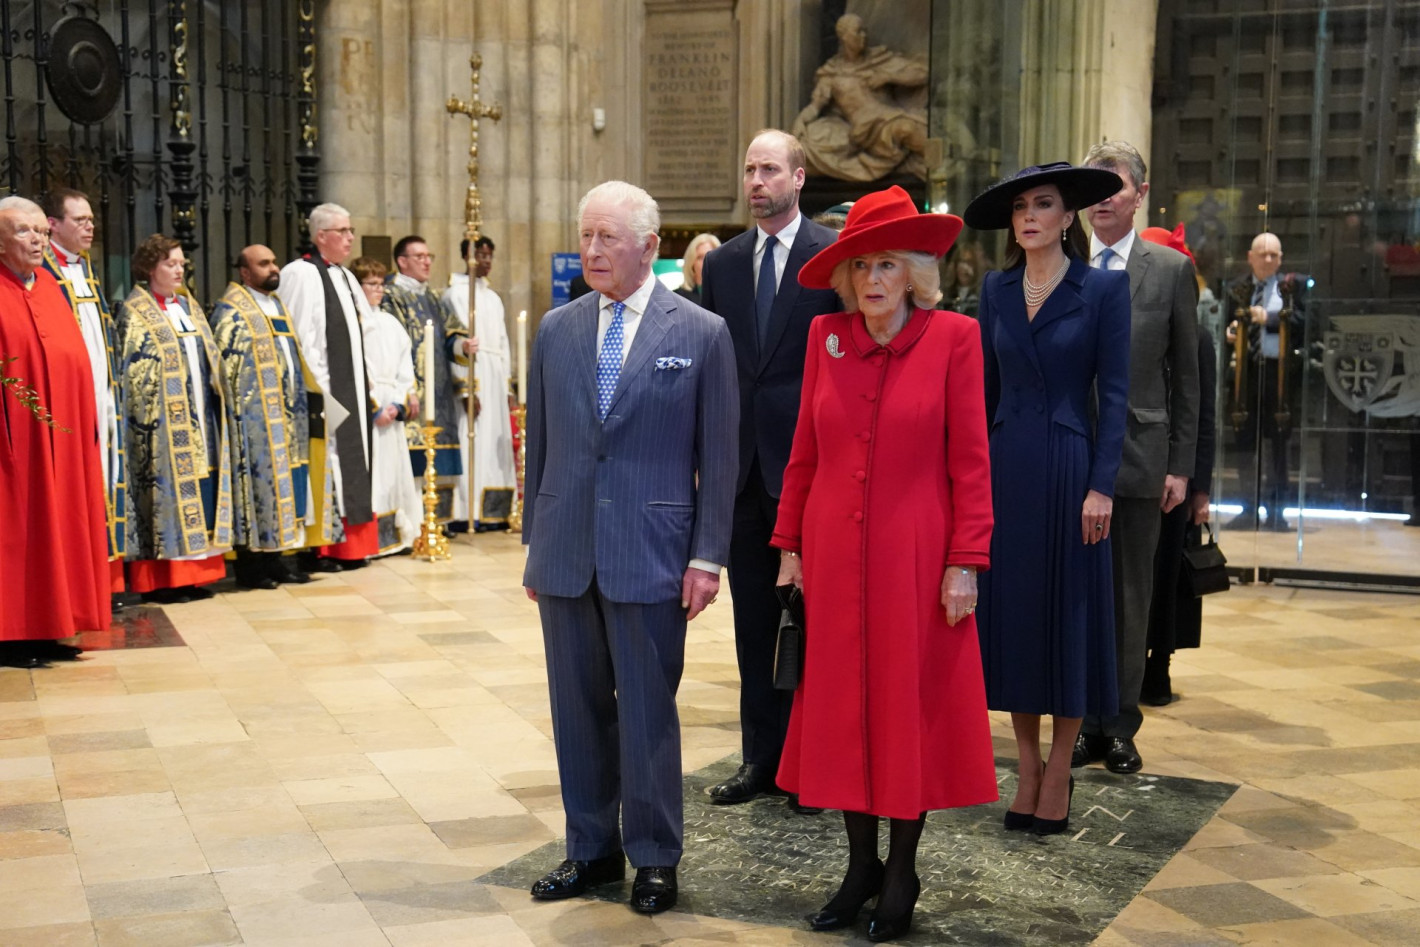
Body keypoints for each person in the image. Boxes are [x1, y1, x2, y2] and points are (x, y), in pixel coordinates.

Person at [773, 185, 995, 941]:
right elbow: (804, 452)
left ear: (915, 274)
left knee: (904, 712)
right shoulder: (825, 338)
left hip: (917, 558)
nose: (873, 279)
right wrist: (790, 549)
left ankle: (902, 869)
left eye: (889, 265)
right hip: (832, 556)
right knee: (842, 714)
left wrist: (966, 560)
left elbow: (971, 461)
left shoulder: (955, 338)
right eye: (862, 265)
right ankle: (859, 866)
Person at [521, 181, 737, 916]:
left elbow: (720, 457)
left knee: (646, 712)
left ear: (650, 245)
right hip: (566, 549)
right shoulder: (557, 329)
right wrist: (535, 543)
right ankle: (590, 848)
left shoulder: (701, 332)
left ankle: (653, 855)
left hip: (652, 551)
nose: (592, 250)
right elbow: (542, 445)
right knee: (576, 709)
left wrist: (707, 557)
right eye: (586, 235)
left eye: (607, 237)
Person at [963, 162, 1131, 834]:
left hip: (1069, 469)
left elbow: (1114, 396)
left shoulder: (1102, 289)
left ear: (1068, 218)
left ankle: (1060, 767)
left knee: (1067, 616)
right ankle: (1026, 765)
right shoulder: (995, 289)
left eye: (1042, 204)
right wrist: (970, 485)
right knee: (1017, 620)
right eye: (1020, 207)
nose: (1028, 216)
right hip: (1006, 469)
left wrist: (1102, 485)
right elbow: (983, 393)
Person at [699, 129, 843, 811]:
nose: (756, 181)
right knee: (754, 622)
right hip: (742, 472)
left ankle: (812, 764)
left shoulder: (830, 256)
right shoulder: (723, 265)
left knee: (816, 623)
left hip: (812, 470)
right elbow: (715, 366)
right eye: (750, 169)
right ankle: (760, 757)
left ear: (799, 178)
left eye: (770, 170)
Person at [1074, 141, 1199, 776]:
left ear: (1139, 195)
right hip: (1070, 453)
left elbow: (1188, 377)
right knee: (1075, 596)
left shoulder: (1170, 271)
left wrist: (1181, 465)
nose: (1101, 198)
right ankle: (1078, 721)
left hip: (1140, 456)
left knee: (1129, 595)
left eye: (1114, 185)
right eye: (1092, 185)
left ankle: (1120, 723)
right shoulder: (1063, 263)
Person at [0, 196, 109, 668]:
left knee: (60, 525)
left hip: (60, 440)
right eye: (24, 232)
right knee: (15, 530)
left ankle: (52, 625)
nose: (37, 240)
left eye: (41, 232)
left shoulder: (48, 286)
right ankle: (10, 633)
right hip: (14, 441)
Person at [116, 234, 235, 604]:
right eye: (171, 263)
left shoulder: (189, 306)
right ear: (150, 267)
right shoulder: (135, 312)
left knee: (202, 489)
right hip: (162, 423)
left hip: (201, 413)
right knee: (166, 496)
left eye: (182, 263)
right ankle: (165, 580)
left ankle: (196, 575)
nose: (179, 270)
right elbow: (134, 371)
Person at [210, 245, 326, 589]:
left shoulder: (277, 305)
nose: (274, 268)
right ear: (245, 273)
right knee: (256, 489)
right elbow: (226, 368)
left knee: (285, 486)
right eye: (264, 264)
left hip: (287, 414)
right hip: (254, 419)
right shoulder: (231, 312)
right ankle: (251, 567)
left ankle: (277, 560)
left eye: (274, 262)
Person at [277, 203, 376, 571]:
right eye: (342, 231)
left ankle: (350, 547)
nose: (350, 238)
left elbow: (364, 332)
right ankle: (321, 549)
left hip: (352, 386)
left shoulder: (345, 276)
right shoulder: (300, 274)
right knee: (327, 465)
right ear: (321, 236)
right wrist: (319, 393)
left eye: (351, 230)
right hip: (322, 390)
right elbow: (300, 338)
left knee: (352, 464)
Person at [1143, 237, 1218, 705]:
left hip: (1174, 473)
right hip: (1136, 466)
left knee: (1167, 575)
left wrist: (1200, 487)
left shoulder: (1200, 338)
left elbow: (1202, 415)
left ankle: (1160, 667)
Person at [41, 188, 126, 600]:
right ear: (53, 225)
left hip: (101, 394)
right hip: (67, 401)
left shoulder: (86, 269)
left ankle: (105, 580)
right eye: (80, 220)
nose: (90, 227)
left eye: (91, 219)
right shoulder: (43, 274)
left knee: (107, 477)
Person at [1226, 232, 1311, 531]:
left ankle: (1277, 511)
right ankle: (1248, 509)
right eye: (1263, 254)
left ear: (1281, 258)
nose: (1268, 259)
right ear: (1250, 257)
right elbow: (1226, 325)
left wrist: (1270, 318)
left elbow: (1306, 322)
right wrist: (1232, 331)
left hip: (1279, 375)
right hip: (1245, 373)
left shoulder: (1292, 286)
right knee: (1244, 443)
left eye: (1274, 254)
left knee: (1278, 444)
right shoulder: (1237, 287)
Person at [382, 235, 468, 525]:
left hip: (440, 390)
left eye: (429, 256)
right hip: (412, 390)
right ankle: (415, 521)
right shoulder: (392, 296)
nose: (427, 262)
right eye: (419, 257)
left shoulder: (432, 297)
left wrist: (463, 346)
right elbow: (394, 344)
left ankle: (437, 521)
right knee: (414, 458)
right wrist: (407, 389)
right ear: (402, 261)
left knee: (440, 457)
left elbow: (452, 335)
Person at [792, 13, 929, 181]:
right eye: (858, 31)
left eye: (864, 31)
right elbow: (816, 106)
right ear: (844, 36)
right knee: (806, 149)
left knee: (907, 128)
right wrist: (800, 122)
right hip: (862, 130)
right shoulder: (831, 72)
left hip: (887, 120)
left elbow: (922, 73)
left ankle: (940, 167)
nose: (864, 36)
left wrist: (888, 76)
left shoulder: (879, 60)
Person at [443, 236, 515, 530]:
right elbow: (457, 342)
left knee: (495, 442)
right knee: (473, 440)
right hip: (474, 375)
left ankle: (494, 512)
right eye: (480, 255)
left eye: (489, 255)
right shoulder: (455, 294)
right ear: (467, 257)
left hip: (495, 374)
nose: (486, 261)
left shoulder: (493, 298)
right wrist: (465, 387)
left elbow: (503, 342)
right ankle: (467, 511)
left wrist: (508, 386)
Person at [356, 258, 423, 551]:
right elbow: (354, 367)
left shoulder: (391, 323)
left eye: (381, 283)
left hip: (391, 408)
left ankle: (398, 537)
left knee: (394, 475)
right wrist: (374, 408)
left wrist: (398, 403)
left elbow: (405, 367)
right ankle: (370, 540)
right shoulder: (355, 323)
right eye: (371, 284)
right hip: (369, 408)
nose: (378, 289)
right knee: (373, 475)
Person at [675, 232, 720, 306]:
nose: (705, 261)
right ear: (691, 262)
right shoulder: (678, 298)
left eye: (710, 256)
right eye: (700, 257)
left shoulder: (728, 295)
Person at [944, 253, 982, 318]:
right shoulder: (947, 293)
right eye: (961, 262)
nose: (964, 267)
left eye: (968, 263)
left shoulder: (979, 293)